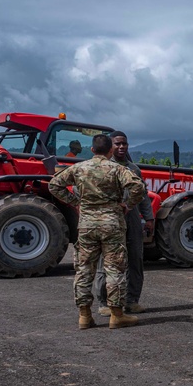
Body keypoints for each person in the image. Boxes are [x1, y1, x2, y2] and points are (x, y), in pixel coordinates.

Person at [48, 133, 146, 330]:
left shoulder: (79, 168)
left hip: (86, 225)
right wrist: (127, 204)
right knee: (115, 268)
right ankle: (117, 315)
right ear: (110, 150)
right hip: (112, 224)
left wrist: (76, 202)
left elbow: (54, 185)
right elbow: (138, 187)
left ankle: (84, 316)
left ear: (92, 150)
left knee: (84, 269)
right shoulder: (118, 169)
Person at [95, 131, 155, 316]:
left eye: (125, 144)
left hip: (132, 218)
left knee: (136, 258)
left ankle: (131, 301)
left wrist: (149, 218)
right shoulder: (102, 167)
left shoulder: (133, 169)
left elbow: (143, 195)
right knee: (107, 260)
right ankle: (104, 302)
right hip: (110, 219)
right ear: (109, 146)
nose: (121, 147)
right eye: (117, 144)